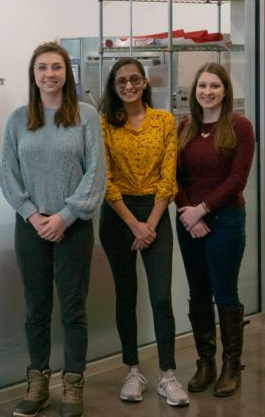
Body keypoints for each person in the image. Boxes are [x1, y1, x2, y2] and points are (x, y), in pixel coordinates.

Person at [0, 41, 106, 417]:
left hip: (73, 228)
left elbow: (96, 174)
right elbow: (8, 174)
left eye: (56, 67)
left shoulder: (87, 116)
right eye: (42, 67)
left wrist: (65, 217)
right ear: (33, 74)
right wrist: (32, 214)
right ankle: (38, 383)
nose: (49, 74)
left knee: (73, 310)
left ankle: (73, 386)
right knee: (36, 309)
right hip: (30, 227)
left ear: (67, 73)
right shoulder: (17, 118)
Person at [98, 57, 189, 408]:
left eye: (135, 79)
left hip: (155, 211)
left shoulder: (164, 121)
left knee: (161, 297)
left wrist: (150, 222)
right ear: (114, 87)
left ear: (145, 83)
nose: (129, 86)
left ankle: (168, 374)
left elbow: (169, 177)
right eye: (121, 82)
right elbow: (104, 180)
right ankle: (133, 370)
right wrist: (133, 223)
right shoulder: (105, 124)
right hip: (118, 216)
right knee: (126, 295)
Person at [175, 63, 254, 397]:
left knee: (225, 292)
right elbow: (173, 175)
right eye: (202, 86)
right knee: (197, 292)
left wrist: (202, 211)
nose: (207, 92)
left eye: (214, 86)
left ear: (225, 91)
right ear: (195, 91)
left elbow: (237, 178)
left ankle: (230, 365)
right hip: (187, 220)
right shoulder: (185, 126)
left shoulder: (239, 126)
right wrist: (186, 212)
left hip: (226, 220)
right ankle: (205, 362)